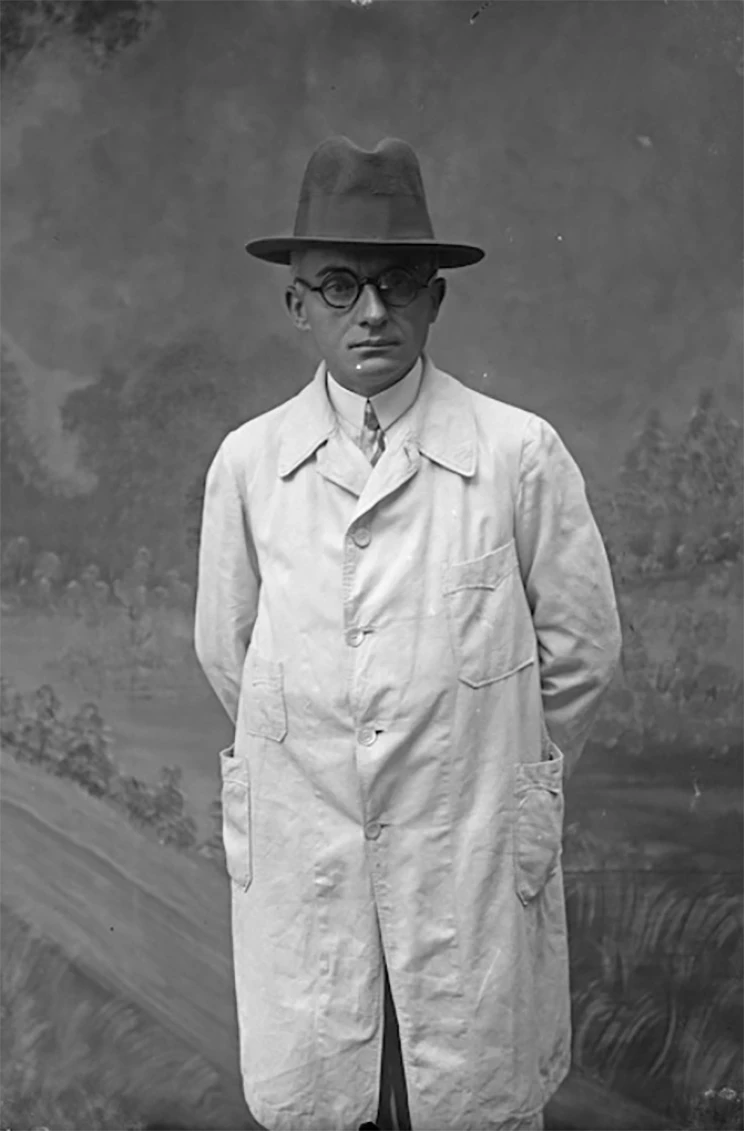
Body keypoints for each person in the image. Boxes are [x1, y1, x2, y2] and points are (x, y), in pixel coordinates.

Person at [194, 136, 622, 1131]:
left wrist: (492, 762)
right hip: (313, 843)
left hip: (466, 840)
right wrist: (332, 739)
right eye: (339, 287)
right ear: (296, 303)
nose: (372, 313)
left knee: (469, 1087)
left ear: (438, 298)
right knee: (325, 1082)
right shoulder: (251, 465)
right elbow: (232, 652)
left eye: (397, 283)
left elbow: (583, 653)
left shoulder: (517, 454)